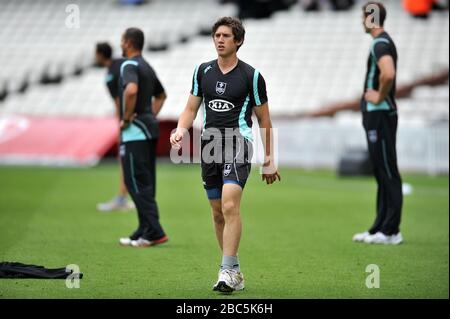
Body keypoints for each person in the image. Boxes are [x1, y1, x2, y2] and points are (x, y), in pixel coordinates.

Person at [170, 17, 281, 293]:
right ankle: (234, 270)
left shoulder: (252, 76)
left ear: (238, 41)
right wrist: (181, 129)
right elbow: (190, 109)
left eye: (225, 36)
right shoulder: (202, 71)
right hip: (210, 145)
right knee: (217, 212)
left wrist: (269, 159)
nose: (219, 40)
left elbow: (264, 120)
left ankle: (227, 270)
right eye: (216, 35)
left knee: (230, 205)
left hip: (238, 142)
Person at [353, 2, 403, 245]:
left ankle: (391, 230)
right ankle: (379, 228)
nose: (362, 21)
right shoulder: (380, 42)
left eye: (364, 16)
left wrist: (379, 96)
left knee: (387, 169)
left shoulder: (380, 43)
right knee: (380, 170)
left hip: (381, 113)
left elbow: (389, 73)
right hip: (377, 115)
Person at [117, 28, 169, 248]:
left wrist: (128, 118)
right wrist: (149, 115)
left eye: (122, 40)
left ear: (128, 43)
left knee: (135, 181)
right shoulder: (146, 65)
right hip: (149, 128)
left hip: (136, 131)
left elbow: (130, 90)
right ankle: (143, 229)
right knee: (145, 181)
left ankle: (154, 231)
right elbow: (161, 95)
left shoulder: (129, 65)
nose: (120, 44)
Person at [94, 42, 134, 212]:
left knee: (125, 158)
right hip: (139, 115)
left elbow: (119, 101)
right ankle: (125, 196)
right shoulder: (122, 63)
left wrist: (121, 123)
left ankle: (122, 198)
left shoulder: (110, 75)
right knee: (131, 159)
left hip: (128, 119)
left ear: (101, 55)